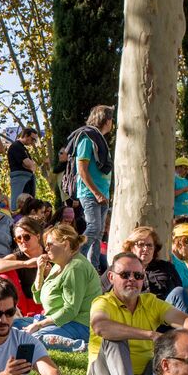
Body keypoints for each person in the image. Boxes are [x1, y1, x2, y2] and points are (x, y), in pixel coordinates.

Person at [87, 252, 188, 375]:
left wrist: (183, 345)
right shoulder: (103, 302)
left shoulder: (151, 302)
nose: (132, 279)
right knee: (114, 339)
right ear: (112, 277)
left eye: (138, 275)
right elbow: (101, 327)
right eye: (125, 275)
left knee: (170, 352)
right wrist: (150, 335)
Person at [24, 221, 103, 352]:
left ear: (65, 244)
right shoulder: (59, 264)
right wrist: (40, 270)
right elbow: (37, 300)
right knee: (14, 326)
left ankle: (82, 347)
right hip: (55, 321)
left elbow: (70, 310)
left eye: (49, 244)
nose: (46, 248)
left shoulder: (75, 267)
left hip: (78, 325)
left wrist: (39, 325)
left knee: (34, 338)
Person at [69, 104, 114, 271]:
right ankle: (75, 259)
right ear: (106, 119)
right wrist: (96, 193)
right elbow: (81, 169)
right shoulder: (86, 138)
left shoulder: (99, 139)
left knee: (99, 232)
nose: (112, 123)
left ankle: (92, 268)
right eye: (111, 119)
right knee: (94, 227)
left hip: (101, 193)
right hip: (90, 193)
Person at [120, 225, 188, 317]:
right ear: (131, 247)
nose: (145, 249)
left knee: (180, 292)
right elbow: (103, 293)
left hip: (166, 316)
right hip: (138, 317)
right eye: (140, 244)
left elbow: (180, 296)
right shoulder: (121, 268)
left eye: (149, 245)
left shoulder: (166, 267)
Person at [6, 127, 38, 209]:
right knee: (18, 203)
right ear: (26, 135)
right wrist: (30, 165)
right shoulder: (16, 146)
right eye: (32, 139)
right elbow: (28, 164)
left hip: (27, 178)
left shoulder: (23, 148)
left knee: (28, 204)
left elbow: (32, 166)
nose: (33, 142)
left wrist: (31, 165)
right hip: (20, 178)